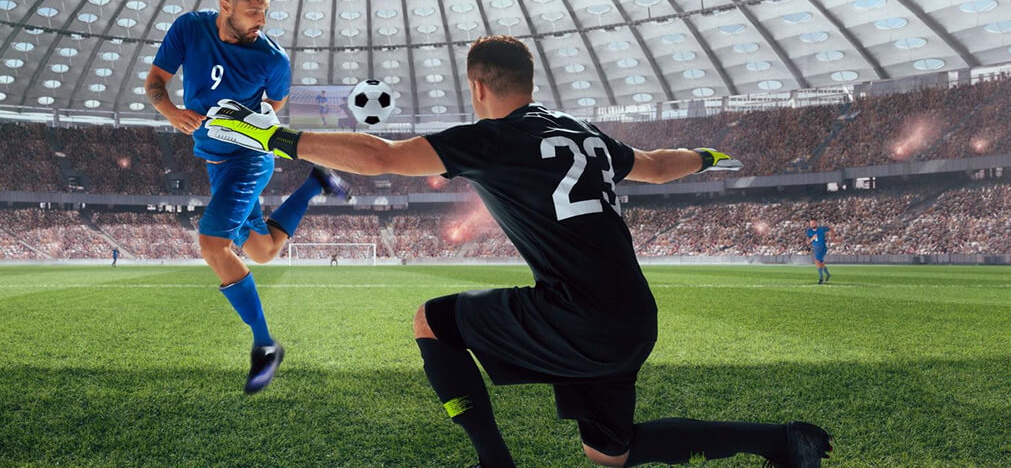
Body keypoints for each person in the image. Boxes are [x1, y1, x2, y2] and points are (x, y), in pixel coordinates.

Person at [207, 35, 832, 467]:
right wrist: (708, 157)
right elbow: (658, 166)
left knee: (432, 319)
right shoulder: (580, 132)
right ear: (528, 84)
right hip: (633, 318)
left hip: (576, 315)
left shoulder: (492, 139)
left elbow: (381, 158)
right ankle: (781, 442)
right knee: (609, 454)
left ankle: (493, 462)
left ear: (478, 88)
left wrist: (273, 134)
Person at [144, 0, 351, 394]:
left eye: (266, 10)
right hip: (214, 163)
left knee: (212, 244)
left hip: (249, 160)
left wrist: (244, 123)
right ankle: (315, 182)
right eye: (255, 10)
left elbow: (274, 108)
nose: (263, 19)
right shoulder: (189, 29)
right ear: (225, 4)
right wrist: (171, 112)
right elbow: (155, 82)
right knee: (262, 251)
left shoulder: (272, 59)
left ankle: (265, 345)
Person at [806, 220, 831, 284]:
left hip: (822, 248)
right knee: (821, 263)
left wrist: (833, 237)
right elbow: (808, 242)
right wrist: (812, 238)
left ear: (816, 223)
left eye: (813, 223)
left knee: (817, 261)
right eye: (811, 224)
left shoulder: (821, 229)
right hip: (816, 249)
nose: (812, 225)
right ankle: (828, 274)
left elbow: (830, 228)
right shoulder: (809, 231)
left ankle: (821, 279)